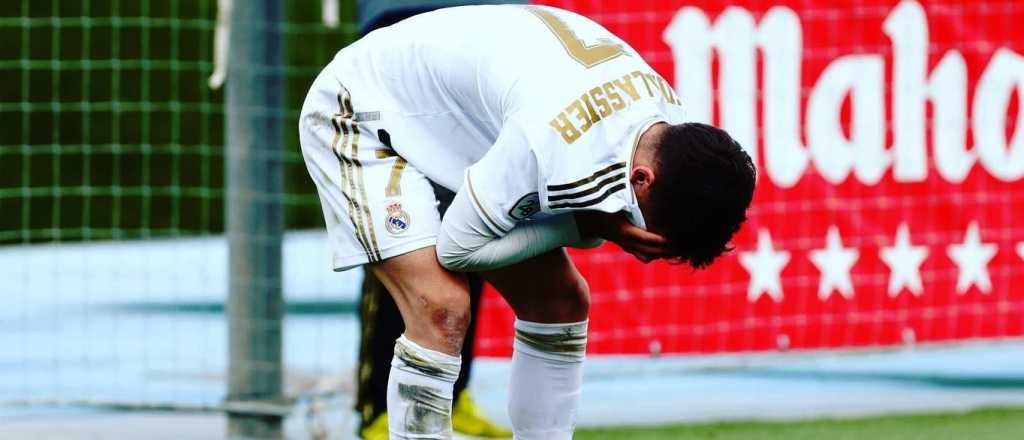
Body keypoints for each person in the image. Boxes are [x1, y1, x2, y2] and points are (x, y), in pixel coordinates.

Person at [298, 5, 756, 439]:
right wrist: (594, 226)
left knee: (562, 301)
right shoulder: (554, 143)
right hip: (359, 112)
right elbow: (457, 249)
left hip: (454, 125)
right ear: (642, 178)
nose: (634, 231)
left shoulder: (668, 127)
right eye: (644, 221)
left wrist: (595, 222)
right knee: (441, 308)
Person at [351, 2, 518, 439]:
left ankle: (450, 394)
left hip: (488, 29)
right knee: (401, 228)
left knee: (473, 220)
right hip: (400, 23)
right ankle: (379, 409)